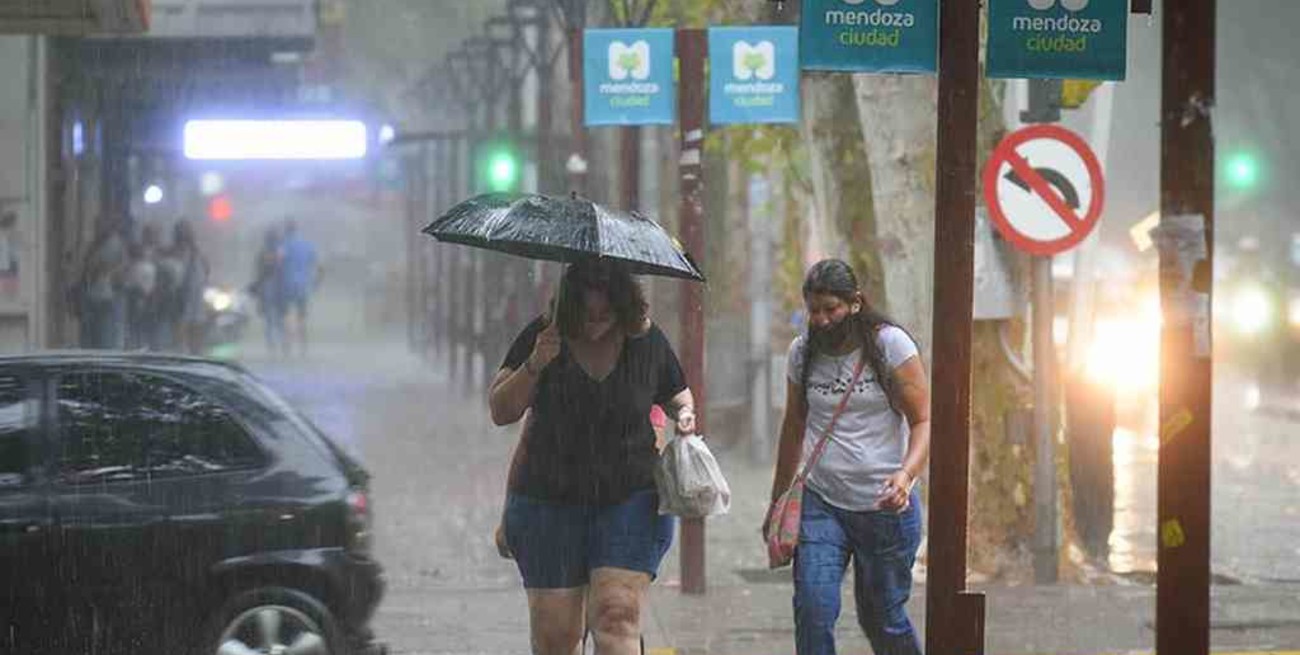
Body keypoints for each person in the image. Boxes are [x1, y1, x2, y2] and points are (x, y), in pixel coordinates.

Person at [488, 259, 696, 655]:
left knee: (617, 616)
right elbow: (501, 411)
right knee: (557, 638)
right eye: (586, 314)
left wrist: (685, 416)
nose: (595, 323)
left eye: (606, 313)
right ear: (569, 306)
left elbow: (679, 395)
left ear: (624, 306)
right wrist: (535, 363)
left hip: (631, 498)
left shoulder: (646, 342)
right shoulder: (542, 335)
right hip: (548, 500)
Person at [764, 259, 932, 655]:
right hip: (823, 504)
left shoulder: (891, 345)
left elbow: (924, 419)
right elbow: (794, 426)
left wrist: (905, 477)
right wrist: (777, 501)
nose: (821, 320)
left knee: (882, 620)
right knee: (813, 610)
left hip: (885, 508)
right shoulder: (802, 353)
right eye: (814, 310)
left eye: (831, 309)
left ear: (854, 304)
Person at [76, 216, 128, 349]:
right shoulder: (93, 245)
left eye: (100, 226)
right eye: (96, 226)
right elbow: (86, 269)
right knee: (91, 338)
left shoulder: (115, 244)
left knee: (105, 337)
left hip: (108, 298)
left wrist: (108, 270)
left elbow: (122, 269)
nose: (97, 229)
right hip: (92, 297)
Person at [279, 219, 319, 357]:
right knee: (302, 317)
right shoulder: (307, 245)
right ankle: (303, 346)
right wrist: (315, 282)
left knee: (286, 316)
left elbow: (279, 261)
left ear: (287, 230)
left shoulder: (284, 244)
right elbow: (316, 263)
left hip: (287, 285)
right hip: (303, 286)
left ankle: (287, 345)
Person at [250, 226, 287, 356]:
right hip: (277, 288)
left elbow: (259, 272)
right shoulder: (280, 252)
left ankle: (273, 346)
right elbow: (282, 270)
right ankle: (282, 345)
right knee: (278, 319)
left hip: (268, 288)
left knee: (270, 320)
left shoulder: (264, 253)